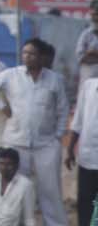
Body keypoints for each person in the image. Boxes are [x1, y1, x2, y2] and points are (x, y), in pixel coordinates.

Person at [0, 39, 68, 226]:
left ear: (42, 57)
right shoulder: (11, 75)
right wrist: (1, 106)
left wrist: (58, 135)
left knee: (50, 190)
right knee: (16, 189)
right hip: (16, 142)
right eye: (25, 53)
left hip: (46, 144)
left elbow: (62, 109)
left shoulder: (55, 79)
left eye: (32, 53)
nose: (27, 56)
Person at [66, 70, 98, 226]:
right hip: (88, 157)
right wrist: (70, 148)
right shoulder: (89, 86)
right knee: (86, 202)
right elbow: (78, 120)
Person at [77, 0, 98, 85]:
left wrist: (93, 52)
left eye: (97, 14)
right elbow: (81, 57)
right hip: (88, 79)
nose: (95, 17)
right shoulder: (86, 34)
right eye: (93, 15)